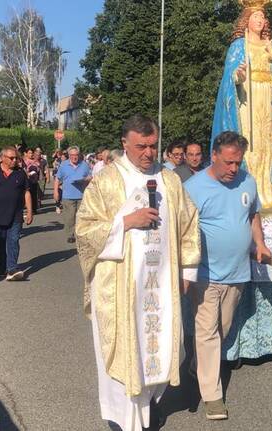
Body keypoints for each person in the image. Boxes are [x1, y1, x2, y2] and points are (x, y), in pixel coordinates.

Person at [75, 114, 200, 431]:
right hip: (120, 287)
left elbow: (189, 224)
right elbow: (84, 231)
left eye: (153, 146)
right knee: (122, 353)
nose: (148, 153)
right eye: (141, 146)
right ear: (124, 144)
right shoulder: (107, 181)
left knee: (156, 350)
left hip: (161, 287)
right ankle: (121, 418)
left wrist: (187, 270)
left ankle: (150, 408)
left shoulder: (169, 181)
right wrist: (126, 222)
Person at [184, 131, 271, 420]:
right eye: (229, 163)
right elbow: (182, 231)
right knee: (208, 332)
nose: (235, 169)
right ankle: (212, 396)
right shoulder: (193, 187)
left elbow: (252, 215)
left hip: (237, 273)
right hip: (205, 274)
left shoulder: (248, 180)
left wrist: (259, 242)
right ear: (214, 156)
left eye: (238, 162)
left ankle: (197, 364)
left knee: (221, 327)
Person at [211, 1, 272, 208]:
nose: (259, 20)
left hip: (268, 98)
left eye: (262, 17)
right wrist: (237, 76)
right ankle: (251, 189)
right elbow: (230, 78)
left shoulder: (270, 46)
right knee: (251, 141)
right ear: (246, 21)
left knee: (270, 140)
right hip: (248, 98)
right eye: (255, 17)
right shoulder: (239, 45)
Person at [0, 146, 33, 281]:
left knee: (13, 241)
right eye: (11, 158)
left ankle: (12, 268)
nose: (15, 160)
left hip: (16, 215)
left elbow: (26, 192)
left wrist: (30, 211)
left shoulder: (20, 173)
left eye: (16, 158)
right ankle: (2, 264)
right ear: (2, 158)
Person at [53, 146, 92, 243]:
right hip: (68, 196)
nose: (74, 157)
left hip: (82, 195)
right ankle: (70, 235)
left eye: (76, 155)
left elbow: (91, 176)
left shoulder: (84, 165)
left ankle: (80, 234)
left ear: (79, 155)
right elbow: (57, 178)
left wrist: (86, 179)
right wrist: (55, 191)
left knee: (81, 217)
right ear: (69, 156)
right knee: (70, 217)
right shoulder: (64, 165)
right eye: (72, 155)